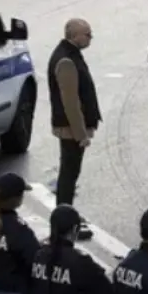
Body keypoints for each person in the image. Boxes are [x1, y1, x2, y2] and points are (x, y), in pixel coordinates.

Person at [47, 18, 99, 240]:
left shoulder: (69, 54)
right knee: (69, 176)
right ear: (73, 36)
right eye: (87, 34)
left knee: (69, 174)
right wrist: (81, 135)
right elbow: (71, 102)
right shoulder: (66, 61)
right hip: (71, 131)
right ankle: (63, 224)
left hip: (71, 129)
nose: (90, 37)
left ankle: (66, 219)